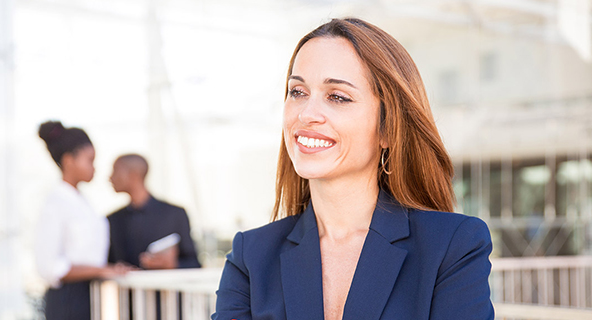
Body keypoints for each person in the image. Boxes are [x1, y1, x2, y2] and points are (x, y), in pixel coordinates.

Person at [212, 18, 494, 320]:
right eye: (298, 92)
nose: (307, 114)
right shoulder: (251, 256)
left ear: (387, 129)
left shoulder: (452, 246)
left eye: (337, 96)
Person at [35, 120, 130, 320]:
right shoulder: (56, 203)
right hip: (67, 301)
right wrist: (103, 270)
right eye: (89, 160)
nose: (94, 168)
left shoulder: (81, 201)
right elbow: (48, 267)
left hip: (87, 297)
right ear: (69, 160)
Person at [107, 153, 200, 270]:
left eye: (115, 171)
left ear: (133, 174)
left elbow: (194, 263)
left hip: (167, 287)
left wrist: (171, 264)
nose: (110, 177)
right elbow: (107, 262)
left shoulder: (174, 214)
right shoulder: (113, 220)